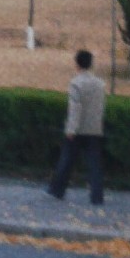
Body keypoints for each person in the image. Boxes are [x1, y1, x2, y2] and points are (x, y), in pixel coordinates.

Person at [46, 49, 107, 205]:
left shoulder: (76, 84)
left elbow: (75, 108)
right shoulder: (100, 84)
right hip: (94, 128)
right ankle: (97, 196)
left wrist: (71, 129)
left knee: (66, 161)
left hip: (78, 129)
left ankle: (57, 190)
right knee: (94, 164)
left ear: (77, 64)